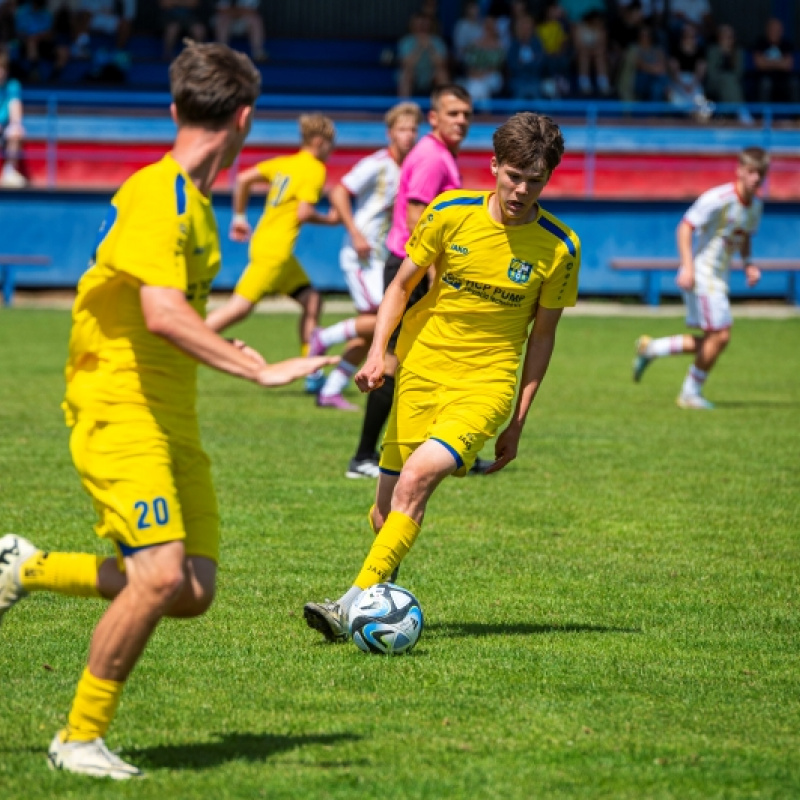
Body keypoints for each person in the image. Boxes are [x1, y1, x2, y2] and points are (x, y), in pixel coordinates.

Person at [0, 42, 336, 780]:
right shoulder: (159, 194)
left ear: (175, 107)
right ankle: (78, 739)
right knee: (156, 577)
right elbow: (159, 314)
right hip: (119, 407)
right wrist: (261, 371)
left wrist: (229, 348)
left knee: (190, 591)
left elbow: (171, 315)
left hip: (170, 410)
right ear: (246, 118)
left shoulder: (199, 204)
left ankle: (25, 567)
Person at [303, 112, 581, 643]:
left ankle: (347, 606)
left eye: (536, 179)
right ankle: (383, 587)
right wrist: (378, 353)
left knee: (416, 480)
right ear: (494, 166)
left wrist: (518, 421)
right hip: (422, 370)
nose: (522, 190)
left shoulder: (560, 247)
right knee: (386, 514)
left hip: (486, 384)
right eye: (514, 175)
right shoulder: (450, 213)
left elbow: (542, 337)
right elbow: (400, 286)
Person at [345, 83, 475, 479]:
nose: (462, 121)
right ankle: (364, 457)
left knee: (433, 360)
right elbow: (420, 220)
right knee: (390, 361)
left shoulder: (440, 155)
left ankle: (448, 449)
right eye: (453, 113)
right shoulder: (432, 158)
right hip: (411, 269)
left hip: (414, 267)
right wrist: (438, 276)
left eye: (467, 114)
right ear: (433, 118)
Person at [205, 113, 338, 393]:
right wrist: (332, 220)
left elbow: (243, 179)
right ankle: (184, 342)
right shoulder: (314, 168)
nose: (331, 150)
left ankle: (311, 371)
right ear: (318, 141)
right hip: (275, 252)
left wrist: (239, 217)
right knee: (238, 309)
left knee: (312, 301)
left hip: (273, 248)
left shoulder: (285, 163)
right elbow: (304, 212)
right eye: (329, 144)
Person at [632, 147, 769, 409]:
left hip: (720, 278)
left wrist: (749, 264)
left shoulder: (756, 206)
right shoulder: (719, 198)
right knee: (722, 335)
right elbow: (686, 226)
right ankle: (689, 393)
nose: (756, 178)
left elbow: (744, 235)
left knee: (713, 340)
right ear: (740, 170)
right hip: (703, 275)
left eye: (760, 174)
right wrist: (687, 267)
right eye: (752, 172)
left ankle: (651, 348)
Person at [311, 102, 423, 412]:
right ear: (390, 134)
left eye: (413, 129)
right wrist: (356, 233)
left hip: (380, 255)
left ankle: (331, 390)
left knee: (376, 331)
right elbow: (338, 191)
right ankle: (323, 337)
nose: (409, 135)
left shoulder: (410, 167)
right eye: (402, 129)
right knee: (383, 318)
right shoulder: (376, 163)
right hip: (361, 254)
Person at [396, 12, 449, 97]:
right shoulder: (406, 42)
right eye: (419, 24)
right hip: (414, 73)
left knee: (442, 74)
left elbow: (441, 63)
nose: (422, 27)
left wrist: (430, 47)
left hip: (431, 73)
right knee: (406, 74)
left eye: (424, 24)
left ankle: (445, 103)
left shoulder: (437, 41)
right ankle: (404, 105)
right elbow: (407, 64)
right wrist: (419, 47)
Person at [751, 17, 800, 105]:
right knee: (765, 84)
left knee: (794, 83)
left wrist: (767, 62)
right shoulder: (760, 43)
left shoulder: (786, 45)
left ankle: (796, 116)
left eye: (777, 30)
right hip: (765, 78)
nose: (775, 32)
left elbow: (788, 65)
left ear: (781, 31)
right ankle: (764, 115)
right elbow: (760, 64)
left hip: (783, 79)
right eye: (772, 29)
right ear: (767, 30)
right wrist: (780, 63)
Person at [0, 48, 26, 188]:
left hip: (4, 128)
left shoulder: (13, 85)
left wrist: (15, 124)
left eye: (1, 68)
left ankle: (9, 172)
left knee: (16, 130)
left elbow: (15, 108)